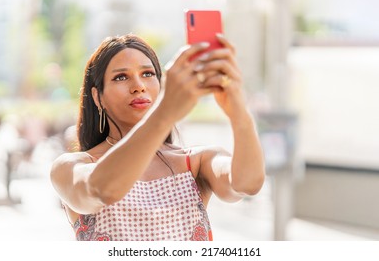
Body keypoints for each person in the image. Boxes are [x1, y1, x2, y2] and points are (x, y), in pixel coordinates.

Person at [50, 33, 265, 241]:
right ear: (98, 97)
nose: (139, 86)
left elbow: (246, 184)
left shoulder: (196, 162)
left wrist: (238, 109)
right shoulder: (70, 167)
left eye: (148, 74)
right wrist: (164, 112)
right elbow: (101, 189)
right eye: (121, 77)